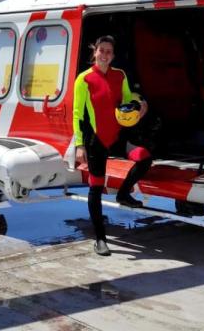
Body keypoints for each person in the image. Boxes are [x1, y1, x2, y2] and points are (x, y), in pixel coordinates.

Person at [73, 35, 149, 256]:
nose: (105, 54)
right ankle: (100, 239)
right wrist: (79, 145)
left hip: (117, 138)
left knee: (144, 157)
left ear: (113, 55)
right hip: (96, 141)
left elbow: (127, 99)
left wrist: (139, 104)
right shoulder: (84, 79)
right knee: (96, 187)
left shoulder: (120, 75)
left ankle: (123, 193)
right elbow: (78, 114)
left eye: (109, 51)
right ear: (95, 52)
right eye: (101, 50)